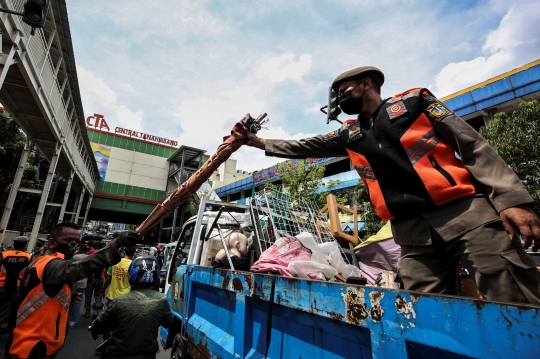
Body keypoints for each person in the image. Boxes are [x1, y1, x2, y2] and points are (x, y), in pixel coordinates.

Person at [245, 66, 540, 304]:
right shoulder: (350, 133)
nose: (341, 100)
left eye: (345, 92)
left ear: (367, 84)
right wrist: (257, 142)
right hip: (411, 236)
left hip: (467, 216)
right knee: (423, 310)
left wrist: (511, 199)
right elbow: (304, 146)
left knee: (513, 299)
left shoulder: (414, 103)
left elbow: (473, 145)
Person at [3, 223, 140, 359]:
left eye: (76, 241)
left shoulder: (40, 262)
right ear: (51, 243)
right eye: (68, 240)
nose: (73, 244)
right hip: (33, 346)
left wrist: (65, 296)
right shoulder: (51, 265)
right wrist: (116, 243)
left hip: (34, 342)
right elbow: (82, 267)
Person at [90, 255, 173, 359]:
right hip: (147, 355)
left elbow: (99, 324)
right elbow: (168, 322)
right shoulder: (161, 299)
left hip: (117, 354)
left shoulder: (118, 301)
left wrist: (94, 328)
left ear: (131, 275)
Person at [99, 246, 135, 340]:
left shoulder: (115, 262)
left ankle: (106, 338)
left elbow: (108, 278)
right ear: (133, 254)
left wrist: (103, 291)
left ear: (124, 253)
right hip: (126, 297)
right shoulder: (134, 265)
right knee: (123, 320)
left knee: (109, 317)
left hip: (112, 295)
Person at [0, 237, 31, 333]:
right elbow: (28, 272)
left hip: (1, 284)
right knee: (6, 306)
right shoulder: (28, 257)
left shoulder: (4, 254)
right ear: (24, 245)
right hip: (15, 286)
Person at [67, 244, 90, 329]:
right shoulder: (89, 258)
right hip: (83, 281)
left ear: (80, 249)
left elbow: (68, 267)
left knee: (69, 298)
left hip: (73, 281)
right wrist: (89, 282)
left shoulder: (75, 257)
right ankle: (73, 321)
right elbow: (90, 272)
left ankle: (66, 318)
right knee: (78, 301)